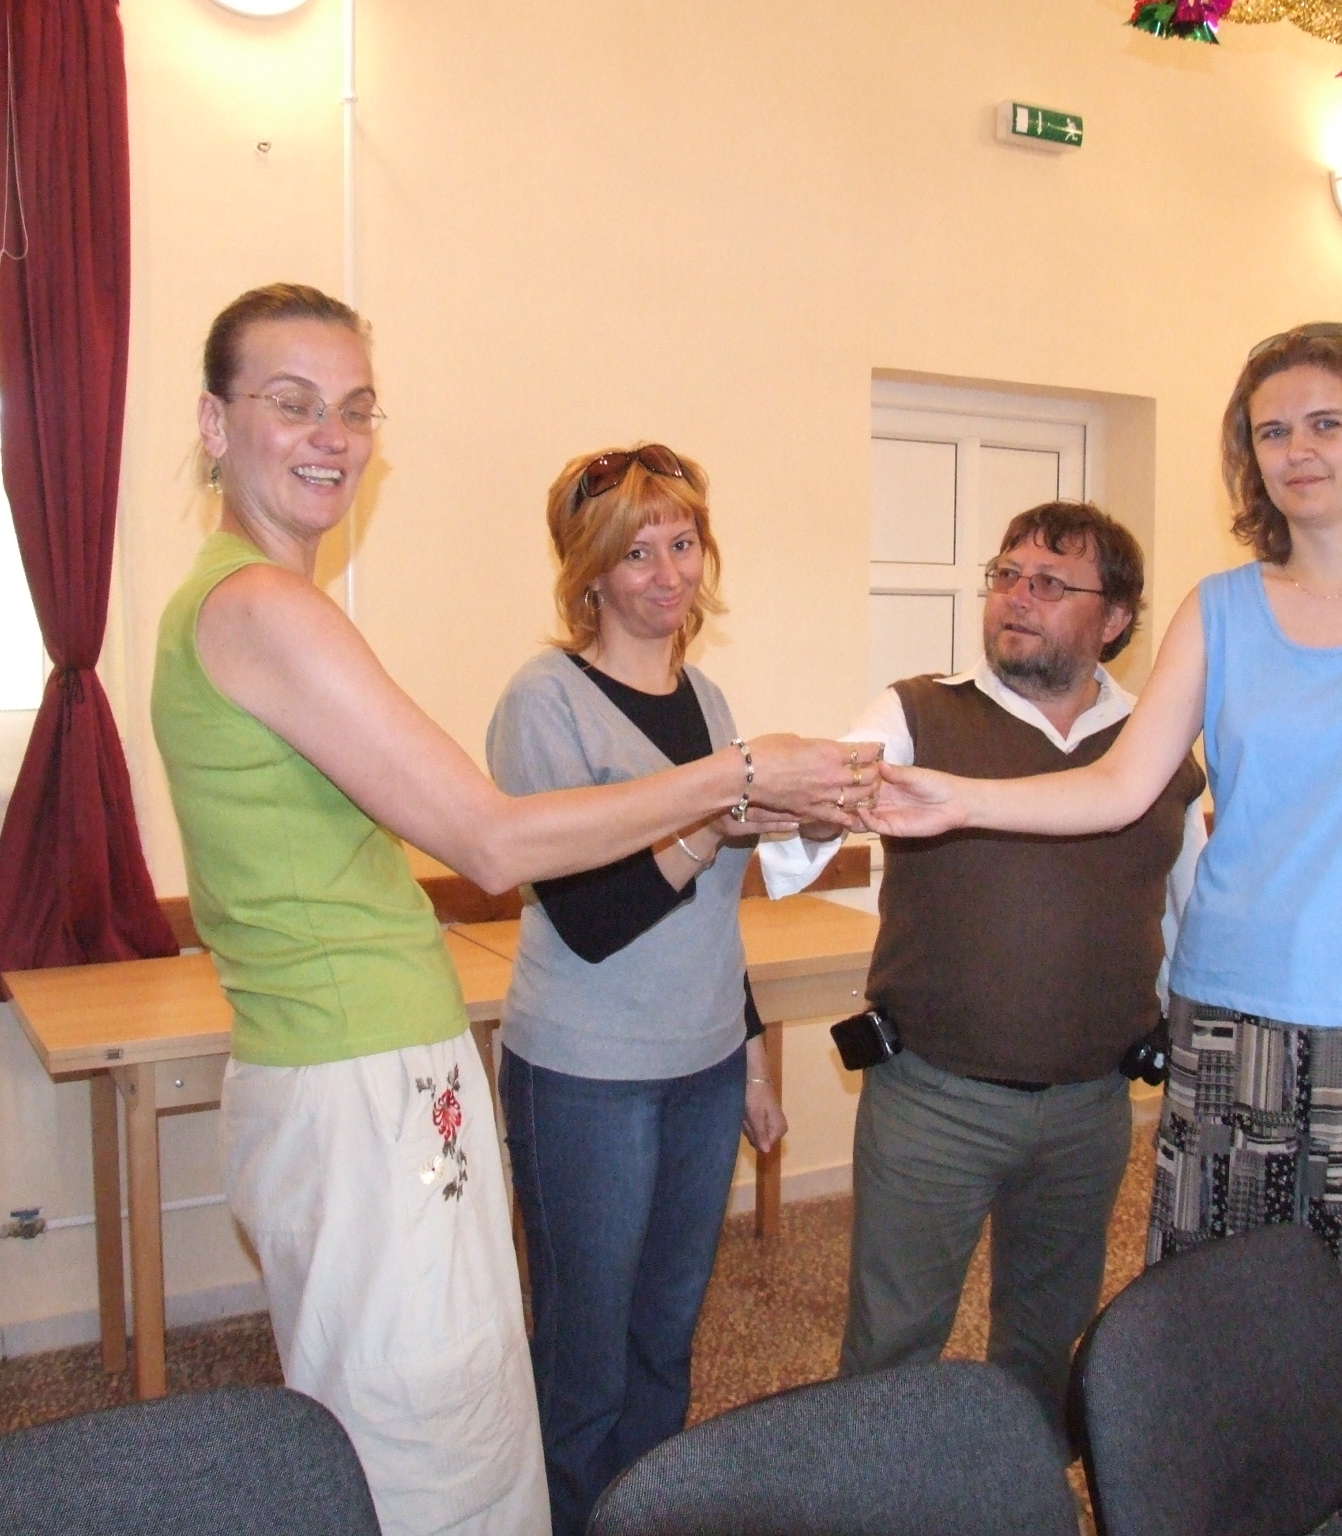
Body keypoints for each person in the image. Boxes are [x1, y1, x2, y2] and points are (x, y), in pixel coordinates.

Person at [150, 284, 868, 1536]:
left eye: (355, 409)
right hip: (358, 1063)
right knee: (429, 1432)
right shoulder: (263, 606)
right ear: (215, 425)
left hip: (371, 1054)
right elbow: (490, 842)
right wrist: (737, 780)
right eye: (293, 404)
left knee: (453, 1401)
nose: (332, 436)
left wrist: (753, 800)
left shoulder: (256, 603)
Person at [863, 324, 1342, 1536]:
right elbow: (1120, 785)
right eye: (1270, 431)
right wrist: (957, 798)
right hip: (1229, 1032)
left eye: (1324, 423)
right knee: (1218, 1335)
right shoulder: (1221, 610)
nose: (1295, 451)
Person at [760, 500, 1206, 1437]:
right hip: (934, 1102)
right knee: (892, 1345)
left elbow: (1189, 909)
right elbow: (799, 847)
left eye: (1049, 583)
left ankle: (1023, 1489)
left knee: (1046, 1345)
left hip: (1091, 1106)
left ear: (1115, 619)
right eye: (1006, 575)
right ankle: (870, 1492)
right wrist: (803, 803)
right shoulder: (917, 712)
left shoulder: (1156, 741)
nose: (1017, 597)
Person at [484, 444, 792, 1536]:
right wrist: (714, 814)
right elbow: (594, 918)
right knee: (586, 1358)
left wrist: (750, 1053)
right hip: (586, 1076)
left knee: (665, 1339)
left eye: (683, 543)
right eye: (636, 553)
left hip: (702, 1067)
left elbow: (713, 916)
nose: (668, 573)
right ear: (591, 573)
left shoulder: (704, 696)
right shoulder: (546, 702)